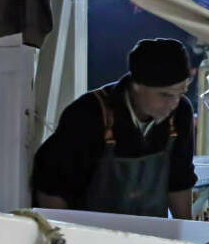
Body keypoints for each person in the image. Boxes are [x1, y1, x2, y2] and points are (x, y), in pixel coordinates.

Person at [32, 38, 196, 219]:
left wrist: (187, 234)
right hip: (91, 233)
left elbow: (179, 181)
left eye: (181, 93)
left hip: (151, 234)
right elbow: (51, 189)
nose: (173, 103)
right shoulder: (88, 114)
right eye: (165, 94)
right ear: (137, 85)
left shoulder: (181, 113)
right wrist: (64, 240)